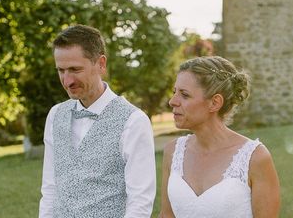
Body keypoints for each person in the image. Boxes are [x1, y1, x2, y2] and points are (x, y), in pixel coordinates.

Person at [39, 24, 156, 218]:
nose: (67, 81)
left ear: (101, 64)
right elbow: (50, 188)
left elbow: (140, 201)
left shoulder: (133, 121)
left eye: (75, 69)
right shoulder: (55, 115)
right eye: (61, 70)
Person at [159, 56, 280, 218]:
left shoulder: (255, 158)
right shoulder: (172, 151)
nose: (172, 101)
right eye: (175, 92)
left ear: (215, 103)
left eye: (185, 95)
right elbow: (167, 215)